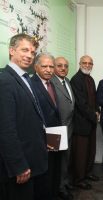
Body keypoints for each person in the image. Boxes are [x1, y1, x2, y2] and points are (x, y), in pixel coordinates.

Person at [0, 33, 48, 200]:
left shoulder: (25, 78)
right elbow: (6, 129)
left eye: (33, 52)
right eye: (25, 50)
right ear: (12, 51)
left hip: (34, 158)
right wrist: (18, 165)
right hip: (21, 166)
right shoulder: (4, 80)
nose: (29, 56)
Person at [31, 52, 62, 200]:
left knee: (55, 168)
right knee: (44, 173)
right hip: (41, 137)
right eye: (44, 66)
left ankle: (53, 194)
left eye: (51, 66)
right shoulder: (32, 85)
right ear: (36, 67)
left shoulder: (52, 83)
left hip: (55, 134)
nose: (49, 70)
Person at [70, 55, 99, 189]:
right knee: (80, 153)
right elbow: (81, 104)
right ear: (80, 63)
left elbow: (95, 98)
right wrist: (94, 115)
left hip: (91, 121)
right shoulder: (76, 80)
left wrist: (98, 110)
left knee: (90, 150)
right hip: (82, 123)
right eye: (85, 63)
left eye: (90, 63)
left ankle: (88, 173)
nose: (87, 65)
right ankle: (79, 179)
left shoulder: (90, 79)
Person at [51, 57, 75, 200]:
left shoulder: (67, 81)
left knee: (66, 158)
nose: (63, 68)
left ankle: (64, 182)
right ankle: (59, 188)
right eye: (59, 65)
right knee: (57, 160)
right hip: (56, 129)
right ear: (53, 67)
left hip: (69, 127)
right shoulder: (51, 82)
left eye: (65, 66)